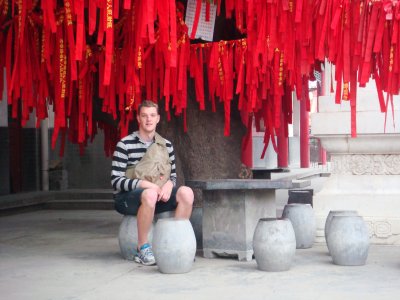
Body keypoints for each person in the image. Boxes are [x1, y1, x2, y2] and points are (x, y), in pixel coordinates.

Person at [111, 100, 194, 266]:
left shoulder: (166, 145)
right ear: (138, 119)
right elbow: (116, 181)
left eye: (152, 115)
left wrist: (169, 186)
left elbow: (173, 176)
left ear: (158, 119)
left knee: (186, 193)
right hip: (128, 199)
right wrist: (147, 185)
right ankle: (142, 248)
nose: (148, 119)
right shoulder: (125, 144)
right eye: (144, 116)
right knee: (149, 194)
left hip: (157, 197)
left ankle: (175, 242)